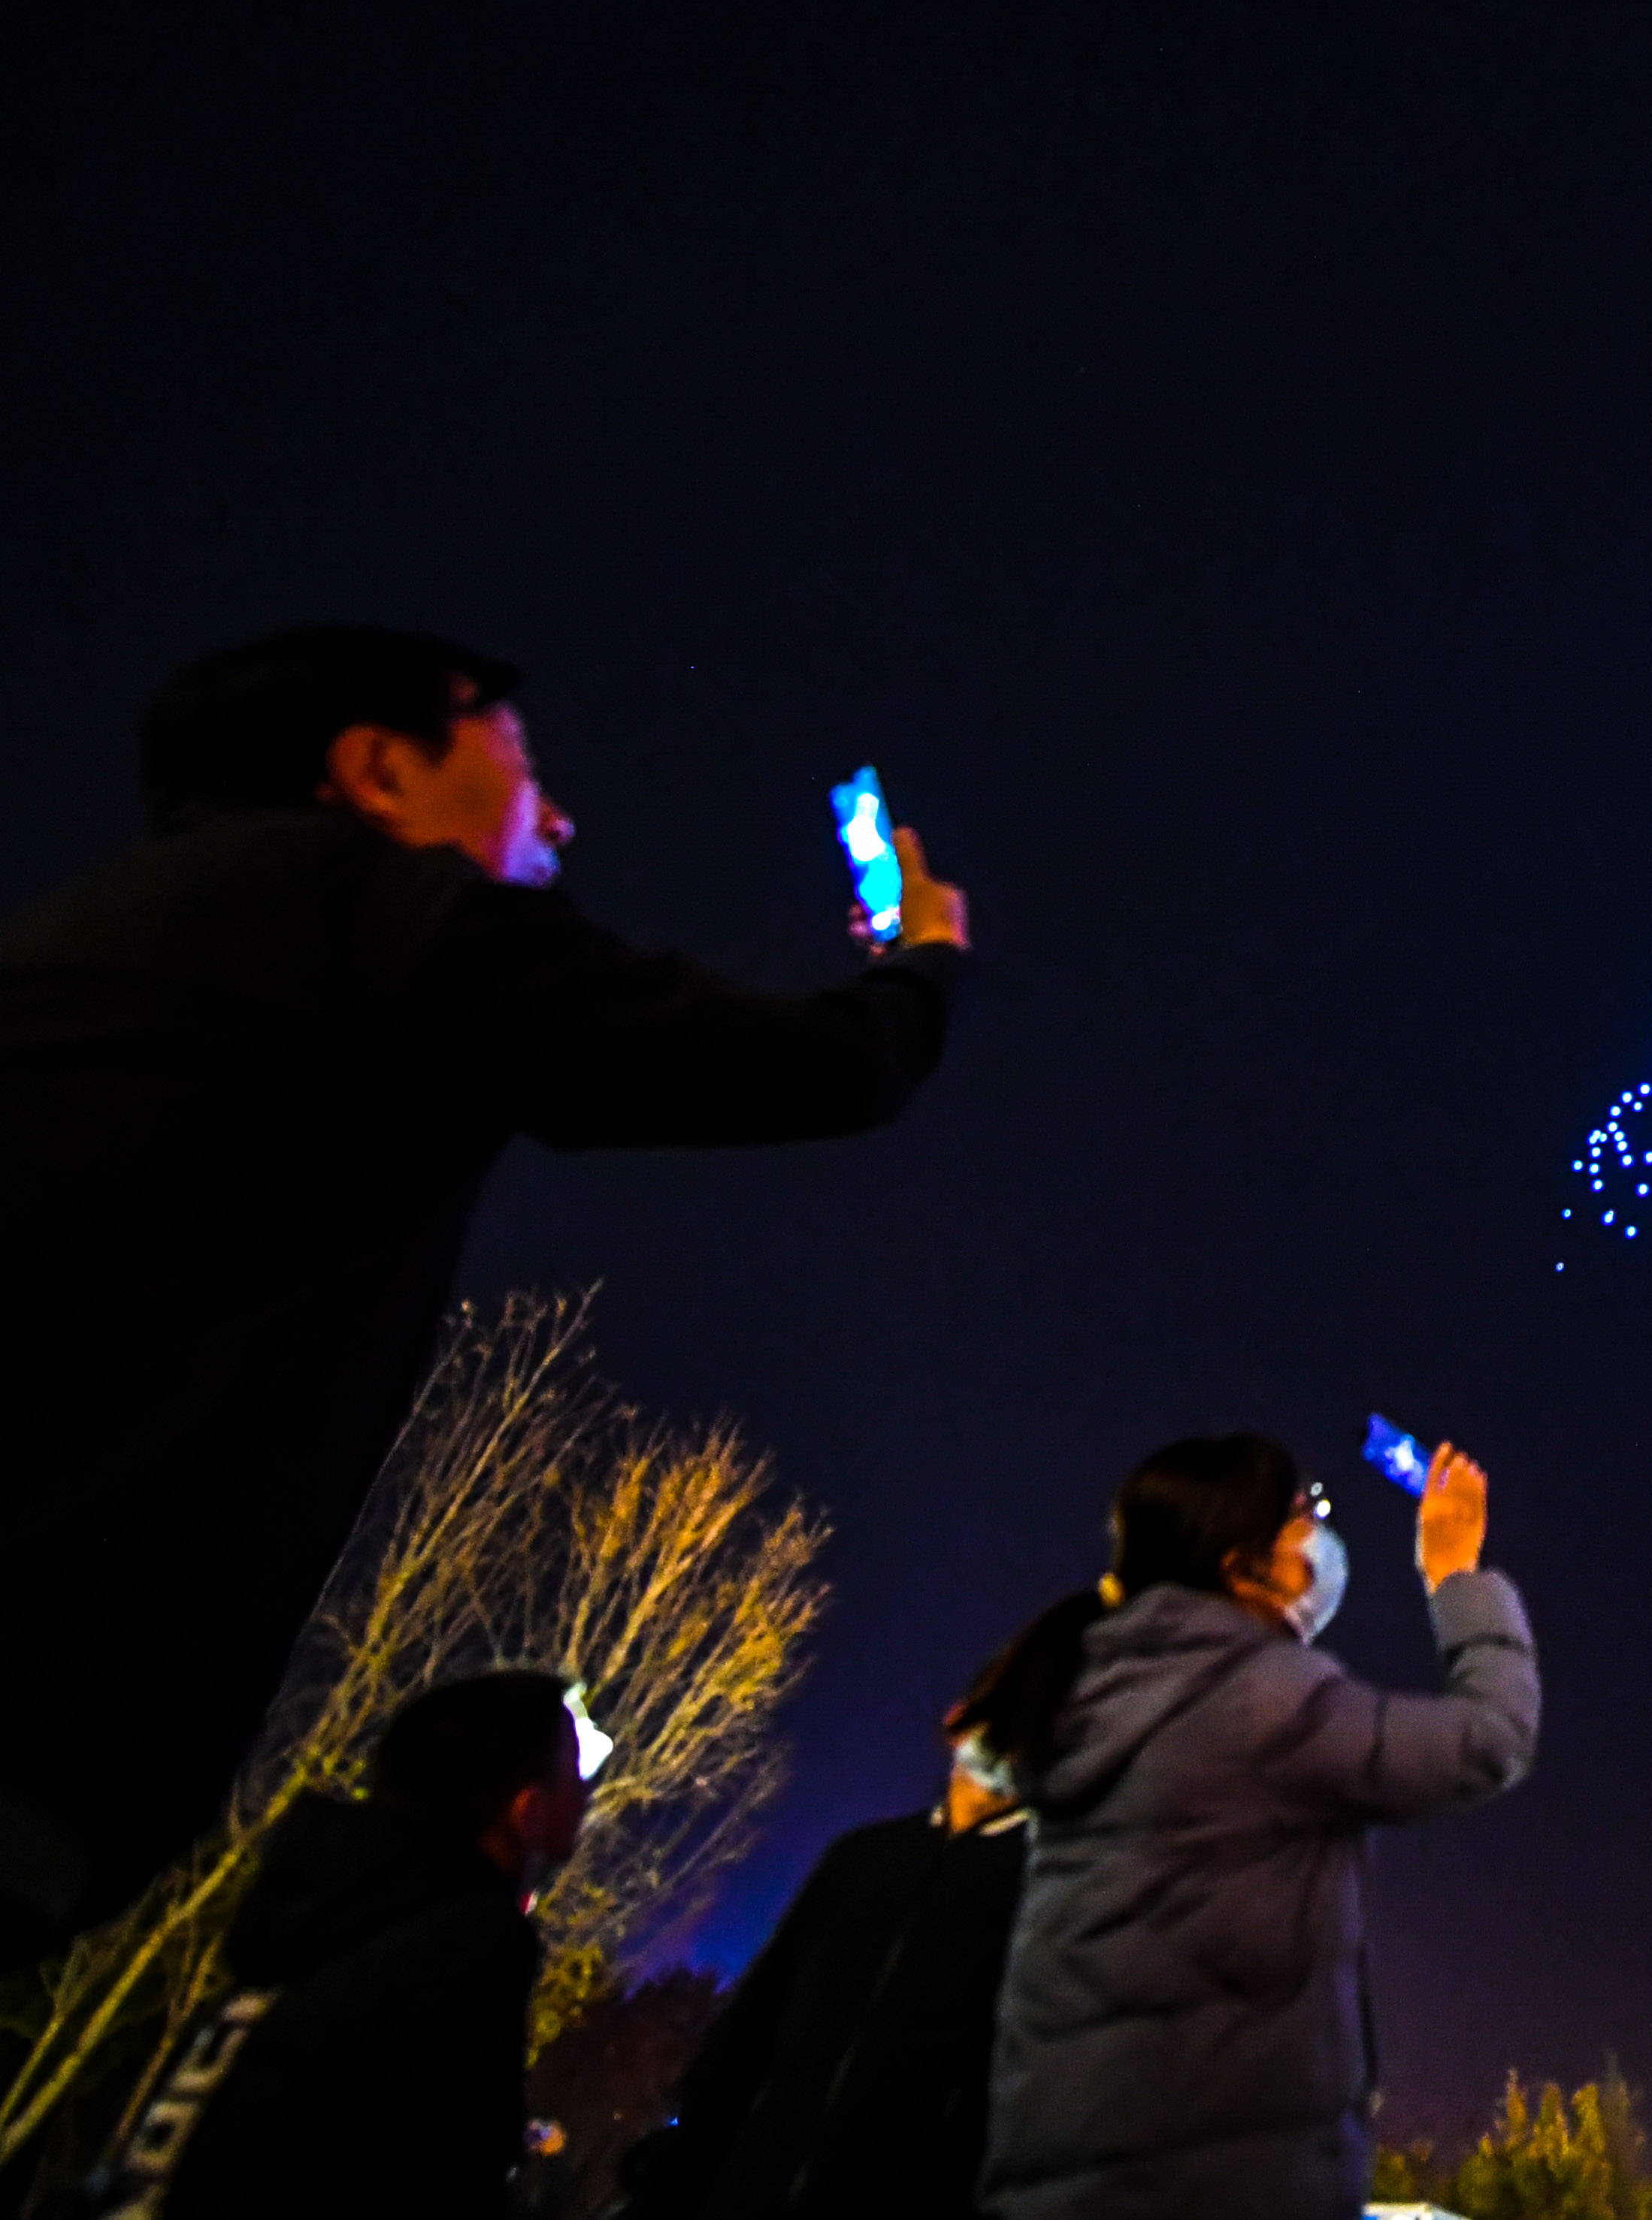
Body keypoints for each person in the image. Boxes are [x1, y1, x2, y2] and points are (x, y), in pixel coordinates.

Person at [0, 626, 976, 1954]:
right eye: (517, 764)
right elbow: (790, 1066)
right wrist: (919, 965)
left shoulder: (100, 932)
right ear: (376, 768)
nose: (558, 819)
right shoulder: (382, 916)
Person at [979, 1431, 1538, 2220]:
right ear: (1237, 1561)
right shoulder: (1258, 1699)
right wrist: (1456, 1574)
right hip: (1217, 2185)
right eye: (1300, 1515)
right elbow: (1488, 1742)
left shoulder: (1090, 1694)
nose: (1318, 1533)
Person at [95, 1668, 592, 2219]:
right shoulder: (472, 1944)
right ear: (527, 1810)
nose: (588, 1790)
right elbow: (450, 2178)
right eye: (574, 1771)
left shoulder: (322, 1913)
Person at [612, 1631, 1052, 2220]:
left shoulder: (1043, 1890)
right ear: (955, 1722)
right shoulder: (863, 1859)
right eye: (999, 1715)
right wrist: (677, 2174)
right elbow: (748, 2034)